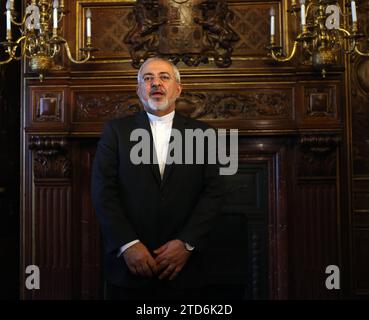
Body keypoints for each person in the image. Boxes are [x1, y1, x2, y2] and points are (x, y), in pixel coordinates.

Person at [91, 57, 224, 300]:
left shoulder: (206, 134)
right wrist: (128, 245)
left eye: (164, 77)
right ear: (139, 89)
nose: (156, 83)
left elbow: (216, 193)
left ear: (178, 88)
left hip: (188, 270)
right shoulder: (115, 131)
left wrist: (186, 243)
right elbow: (103, 191)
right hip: (128, 270)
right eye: (148, 78)